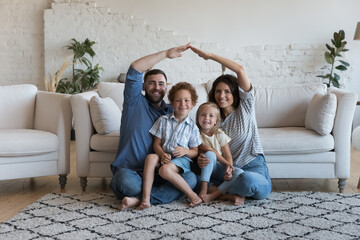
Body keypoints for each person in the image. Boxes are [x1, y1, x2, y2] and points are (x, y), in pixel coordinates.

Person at [110, 43, 197, 210]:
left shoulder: (172, 111)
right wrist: (166, 53)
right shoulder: (134, 102)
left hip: (162, 173)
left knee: (191, 179)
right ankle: (149, 195)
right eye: (152, 83)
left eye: (161, 84)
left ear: (166, 87)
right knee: (126, 183)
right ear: (143, 86)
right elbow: (135, 68)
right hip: (132, 172)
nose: (157, 87)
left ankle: (140, 199)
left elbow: (193, 134)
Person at [190, 45, 272, 205]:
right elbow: (203, 146)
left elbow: (240, 70)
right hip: (225, 170)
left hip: (252, 165)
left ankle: (224, 191)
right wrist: (201, 159)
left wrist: (210, 55)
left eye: (227, 91)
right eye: (218, 91)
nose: (222, 95)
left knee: (248, 180)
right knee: (192, 180)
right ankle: (229, 194)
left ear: (235, 93)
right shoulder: (210, 119)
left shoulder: (245, 108)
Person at [138, 82, 203, 209]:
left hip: (182, 161)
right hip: (165, 157)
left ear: (193, 103)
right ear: (172, 103)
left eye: (186, 100)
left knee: (165, 170)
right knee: (151, 157)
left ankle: (192, 195)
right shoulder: (163, 120)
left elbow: (195, 151)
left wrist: (185, 151)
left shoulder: (193, 127)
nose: (182, 104)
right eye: (178, 100)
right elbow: (156, 144)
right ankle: (145, 200)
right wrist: (162, 155)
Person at [196, 102, 244, 204]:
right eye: (203, 114)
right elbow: (211, 151)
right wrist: (226, 163)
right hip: (204, 170)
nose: (206, 118)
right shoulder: (195, 134)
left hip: (218, 169)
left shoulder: (219, 134)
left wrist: (229, 168)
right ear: (197, 117)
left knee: (239, 173)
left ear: (216, 121)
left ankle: (213, 196)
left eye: (211, 115)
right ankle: (204, 190)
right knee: (210, 155)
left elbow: (228, 156)